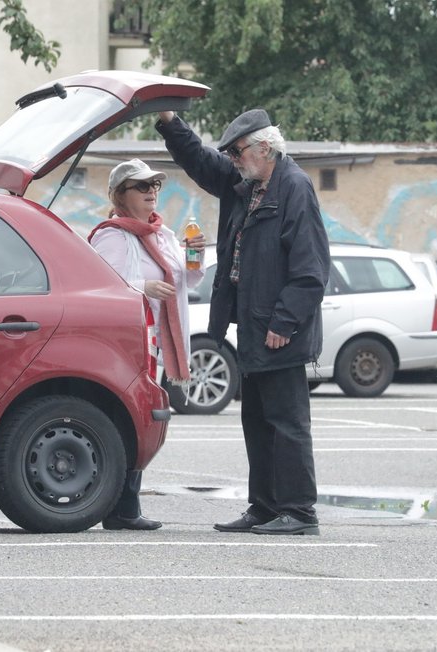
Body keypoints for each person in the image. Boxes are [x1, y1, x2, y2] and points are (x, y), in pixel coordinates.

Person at [156, 108, 329, 536]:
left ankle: (299, 511)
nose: (232, 158)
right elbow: (199, 160)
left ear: (265, 148)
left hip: (279, 331)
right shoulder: (245, 183)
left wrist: (284, 322)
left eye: (238, 151)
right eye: (231, 152)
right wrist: (169, 122)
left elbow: (311, 270)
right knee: (256, 420)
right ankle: (265, 506)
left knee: (287, 423)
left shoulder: (294, 188)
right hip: (252, 326)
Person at [88, 158, 207, 530]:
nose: (152, 192)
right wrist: (144, 287)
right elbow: (101, 285)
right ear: (120, 195)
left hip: (154, 344)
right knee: (128, 419)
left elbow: (188, 284)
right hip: (127, 344)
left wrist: (195, 259)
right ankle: (120, 507)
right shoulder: (112, 235)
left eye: (155, 185)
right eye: (142, 187)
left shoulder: (163, 235)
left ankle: (125, 506)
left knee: (143, 419)